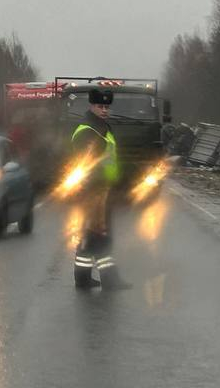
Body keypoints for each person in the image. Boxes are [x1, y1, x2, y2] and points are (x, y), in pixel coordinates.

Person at [70, 88, 128, 290]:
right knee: (101, 234)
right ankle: (109, 280)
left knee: (92, 234)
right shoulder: (88, 131)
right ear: (91, 106)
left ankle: (83, 279)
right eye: (100, 106)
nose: (104, 110)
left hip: (102, 190)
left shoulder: (102, 127)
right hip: (94, 191)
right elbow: (89, 164)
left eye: (106, 107)